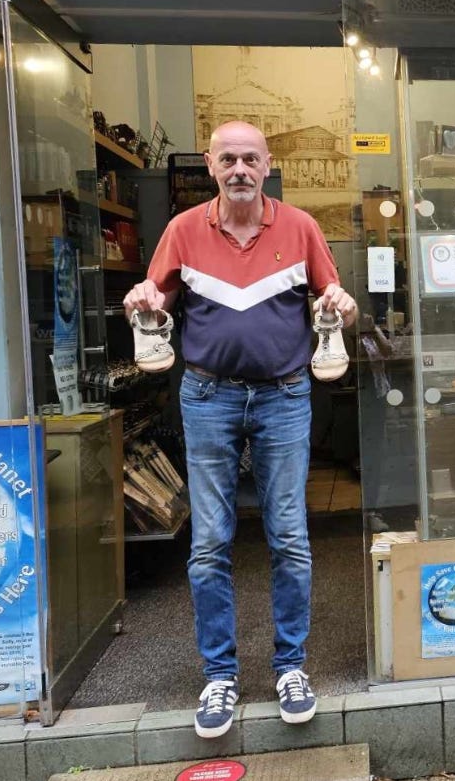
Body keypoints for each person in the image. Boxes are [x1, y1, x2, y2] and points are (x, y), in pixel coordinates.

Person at [123, 120, 357, 738]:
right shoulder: (182, 231)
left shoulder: (301, 227)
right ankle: (219, 677)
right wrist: (142, 299)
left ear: (267, 162)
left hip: (284, 395)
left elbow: (333, 293)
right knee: (208, 545)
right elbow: (156, 298)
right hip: (207, 396)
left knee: (289, 537)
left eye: (250, 159)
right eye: (228, 159)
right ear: (210, 163)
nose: (239, 170)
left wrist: (343, 304)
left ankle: (291, 668)